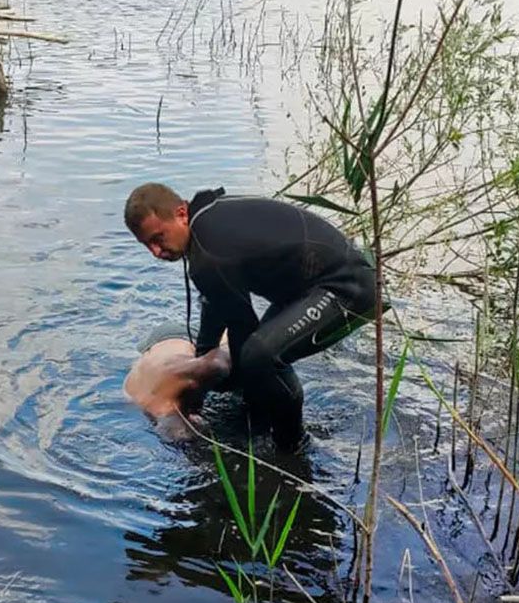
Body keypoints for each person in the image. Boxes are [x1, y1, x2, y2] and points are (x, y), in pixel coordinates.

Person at [124, 183, 376, 451]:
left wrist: (208, 385)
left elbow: (242, 328)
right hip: (308, 290)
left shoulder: (208, 252)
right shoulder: (208, 227)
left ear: (181, 214)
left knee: (260, 355)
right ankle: (264, 423)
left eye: (158, 238)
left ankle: (291, 446)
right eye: (146, 245)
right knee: (251, 361)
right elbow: (215, 306)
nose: (155, 252)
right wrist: (205, 357)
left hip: (347, 288)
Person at [123, 325, 231, 439]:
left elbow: (219, 360)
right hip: (157, 353)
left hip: (173, 339)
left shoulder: (178, 374)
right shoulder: (145, 400)